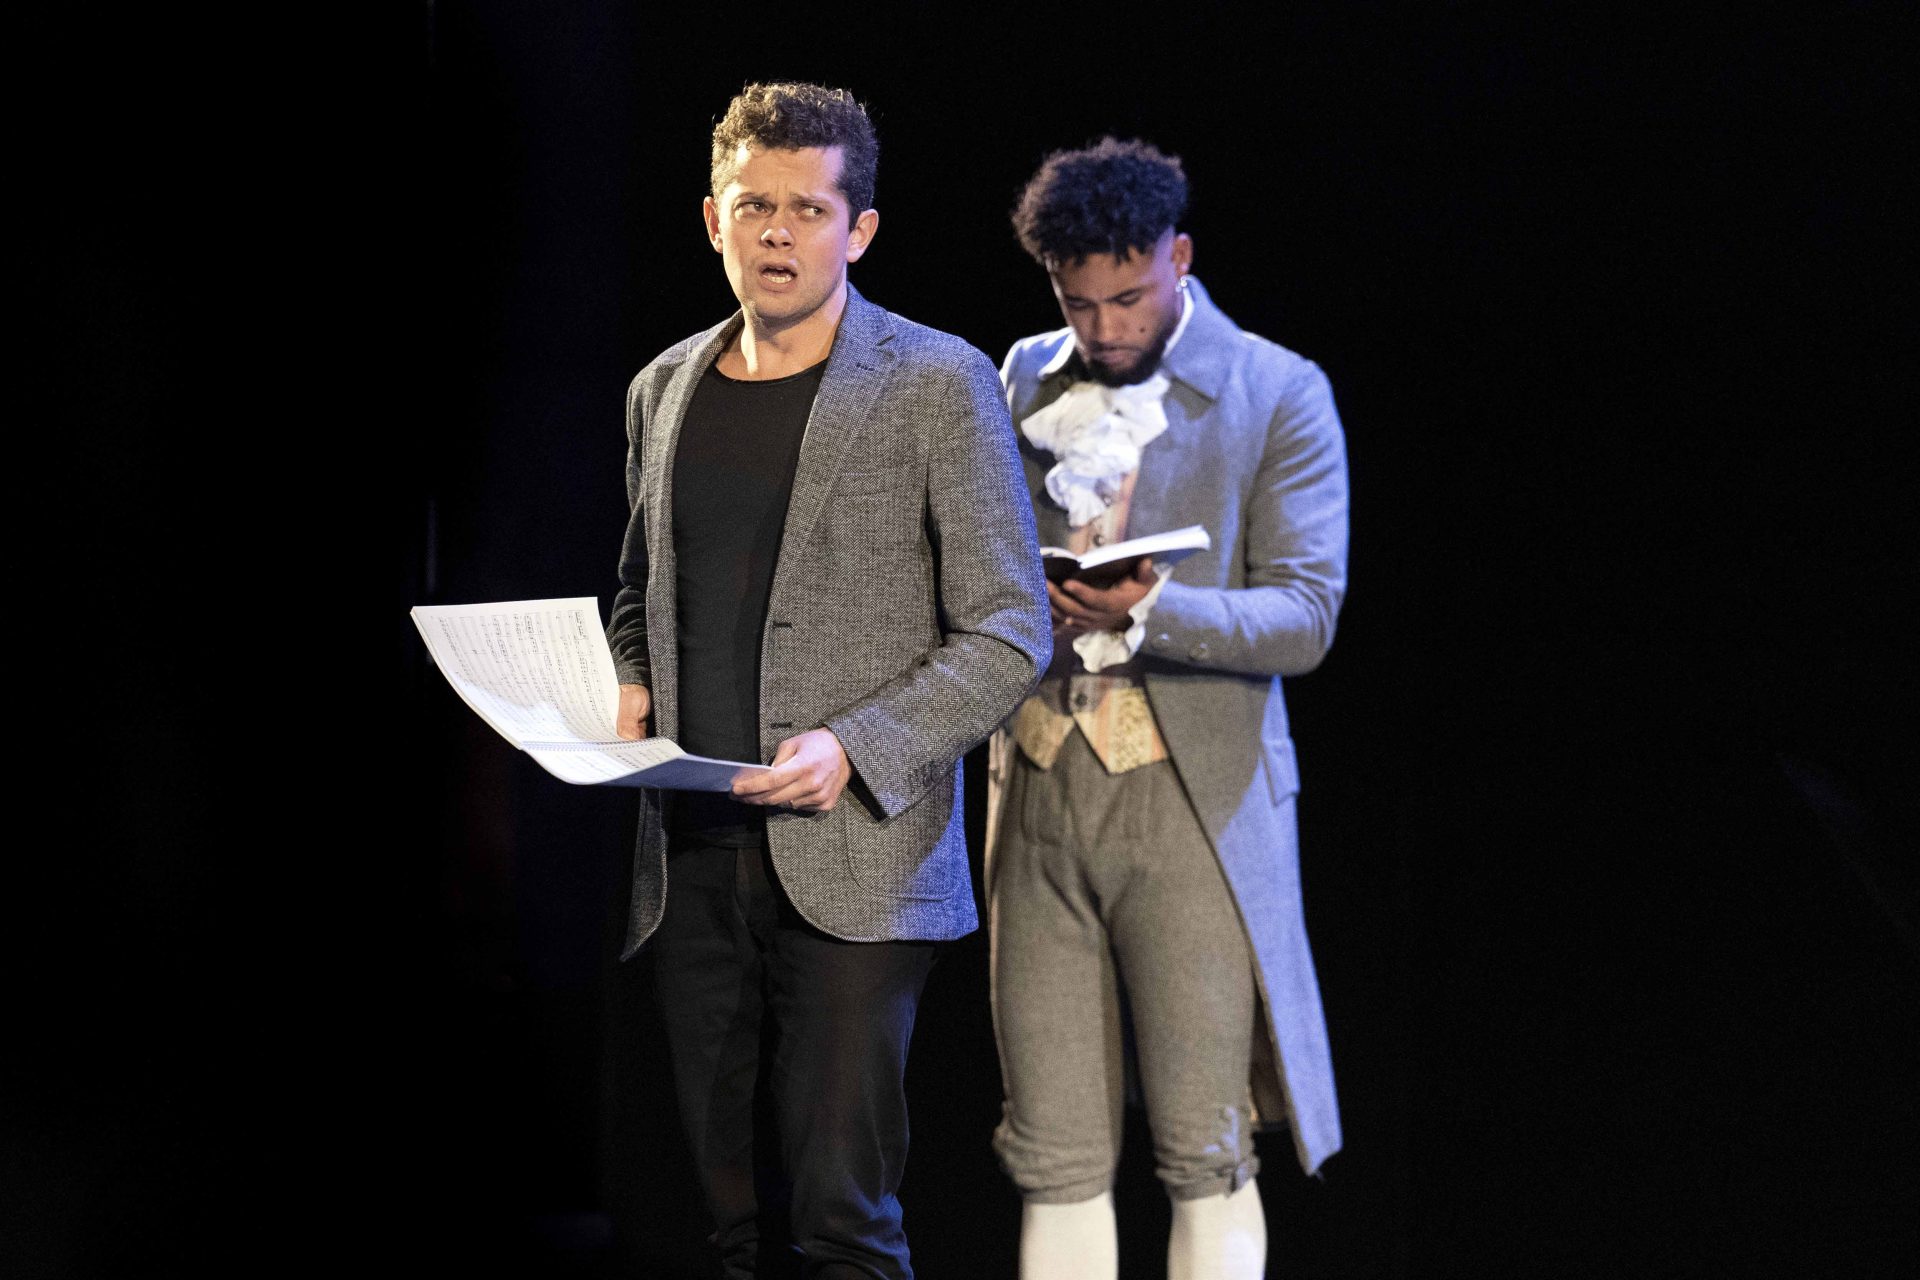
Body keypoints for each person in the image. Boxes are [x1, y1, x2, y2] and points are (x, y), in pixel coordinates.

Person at [606, 82, 1050, 1279]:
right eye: (754, 205)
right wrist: (632, 679)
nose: (777, 232)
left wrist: (855, 744)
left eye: (808, 209)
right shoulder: (663, 386)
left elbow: (1012, 631)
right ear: (714, 217)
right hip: (691, 856)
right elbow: (640, 588)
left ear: (859, 230)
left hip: (858, 857)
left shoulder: (936, 380)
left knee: (841, 1221)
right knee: (715, 1221)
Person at [988, 137, 1349, 1280]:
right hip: (1037, 791)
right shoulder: (1021, 376)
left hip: (1193, 797)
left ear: (1178, 259)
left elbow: (1305, 614)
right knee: (1053, 1151)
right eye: (1078, 302)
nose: (1104, 327)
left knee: (1204, 1143)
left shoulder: (1276, 389)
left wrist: (1151, 607)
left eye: (1129, 297)